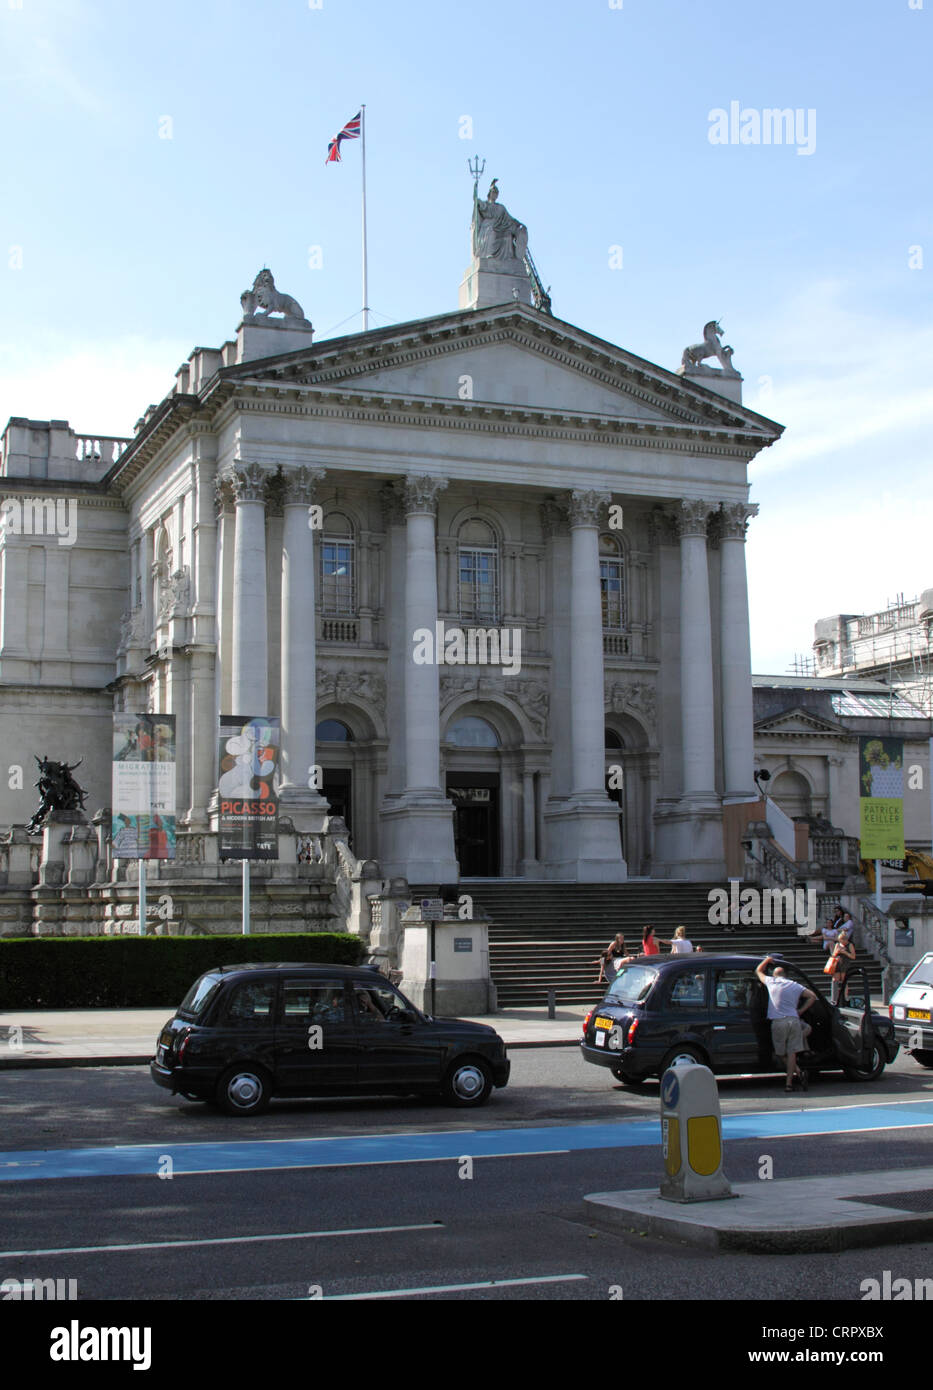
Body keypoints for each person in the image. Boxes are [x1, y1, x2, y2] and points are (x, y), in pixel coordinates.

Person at [755, 955, 818, 1092]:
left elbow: (758, 971)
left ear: (774, 975)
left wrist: (767, 960)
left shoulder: (771, 982)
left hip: (778, 1022)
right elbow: (812, 996)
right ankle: (789, 1084)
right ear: (785, 975)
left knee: (780, 1053)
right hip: (794, 1020)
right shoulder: (794, 985)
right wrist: (800, 1011)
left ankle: (799, 1072)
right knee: (792, 1053)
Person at [829, 926, 857, 1005]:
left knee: (844, 981)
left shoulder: (850, 945)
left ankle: (844, 997)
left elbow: (853, 956)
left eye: (843, 940)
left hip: (845, 964)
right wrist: (837, 952)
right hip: (837, 964)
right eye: (841, 940)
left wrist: (845, 953)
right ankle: (834, 999)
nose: (842, 942)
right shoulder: (837, 944)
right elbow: (833, 955)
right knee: (835, 980)